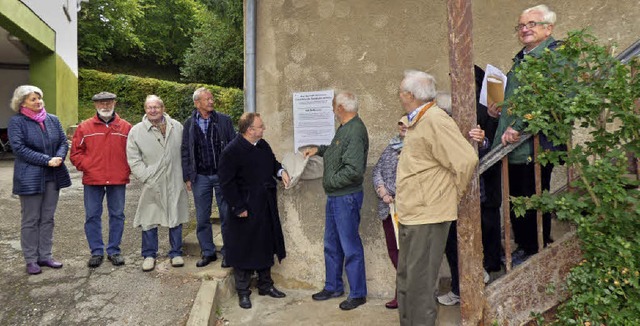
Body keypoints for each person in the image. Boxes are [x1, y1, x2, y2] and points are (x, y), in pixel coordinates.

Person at [395, 70, 477, 325]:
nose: (399, 95)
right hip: (413, 214)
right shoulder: (418, 120)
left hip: (428, 215)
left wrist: (451, 195)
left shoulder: (435, 119)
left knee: (420, 285)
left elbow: (466, 160)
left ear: (409, 95)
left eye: (400, 91)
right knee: (407, 279)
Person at [491, 4, 562, 265]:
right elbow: (521, 100)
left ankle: (535, 250)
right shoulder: (521, 58)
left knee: (533, 199)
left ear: (548, 28)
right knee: (517, 203)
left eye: (531, 24)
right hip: (515, 147)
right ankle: (526, 246)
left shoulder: (553, 56)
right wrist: (501, 111)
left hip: (536, 145)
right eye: (521, 25)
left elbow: (545, 99)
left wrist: (518, 126)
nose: (524, 29)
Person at [303, 91, 369, 311]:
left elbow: (354, 170)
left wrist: (331, 181)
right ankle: (333, 286)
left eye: (333, 106)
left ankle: (358, 293)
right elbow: (337, 152)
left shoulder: (356, 130)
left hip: (345, 197)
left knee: (350, 246)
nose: (332, 109)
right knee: (331, 244)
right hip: (336, 197)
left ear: (340, 108)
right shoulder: (345, 129)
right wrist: (319, 150)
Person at [218, 112, 290, 309]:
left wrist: (281, 171)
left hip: (265, 205)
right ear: (250, 130)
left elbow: (273, 163)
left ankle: (266, 285)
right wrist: (238, 207)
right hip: (245, 207)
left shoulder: (263, 145)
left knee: (265, 244)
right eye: (260, 126)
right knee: (244, 247)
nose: (264, 128)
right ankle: (243, 291)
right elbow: (226, 183)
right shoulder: (232, 151)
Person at [435, 90, 499, 306]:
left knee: (462, 242)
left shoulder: (462, 127)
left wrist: (481, 142)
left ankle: (470, 282)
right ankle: (459, 287)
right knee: (452, 245)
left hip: (466, 195)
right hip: (446, 196)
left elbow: (482, 148)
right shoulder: (441, 130)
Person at [8, 85, 71, 275]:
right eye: (32, 99)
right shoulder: (17, 122)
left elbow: (62, 141)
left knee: (48, 218)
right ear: (22, 103)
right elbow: (19, 148)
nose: (38, 101)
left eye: (39, 98)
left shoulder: (52, 119)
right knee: (31, 219)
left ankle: (45, 255)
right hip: (29, 177)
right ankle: (31, 259)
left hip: (53, 176)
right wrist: (47, 160)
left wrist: (59, 157)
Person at [126, 95, 190, 272]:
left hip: (175, 179)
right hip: (152, 182)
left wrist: (185, 175)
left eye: (156, 107)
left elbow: (186, 152)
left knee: (175, 215)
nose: (153, 110)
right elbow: (133, 158)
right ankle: (149, 255)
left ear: (163, 108)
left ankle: (176, 253)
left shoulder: (177, 127)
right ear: (145, 109)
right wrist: (146, 176)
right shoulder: (136, 131)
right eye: (149, 107)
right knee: (149, 218)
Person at [70, 91, 132, 268]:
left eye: (108, 102)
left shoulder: (126, 127)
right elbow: (75, 153)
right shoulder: (85, 127)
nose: (105, 106)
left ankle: (114, 250)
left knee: (117, 215)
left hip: (117, 178)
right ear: (95, 105)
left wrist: (126, 168)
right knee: (92, 215)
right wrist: (88, 166)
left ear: (114, 103)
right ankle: (96, 251)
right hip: (93, 179)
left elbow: (134, 152)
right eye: (101, 103)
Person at [181, 87, 236, 268]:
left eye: (212, 98)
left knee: (227, 214)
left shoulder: (224, 121)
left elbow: (234, 146)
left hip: (223, 176)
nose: (211, 102)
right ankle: (208, 252)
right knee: (202, 217)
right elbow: (185, 151)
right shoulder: (189, 124)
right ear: (197, 103)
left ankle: (229, 253)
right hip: (200, 178)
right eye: (207, 99)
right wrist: (187, 176)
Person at [371, 116, 408, 310]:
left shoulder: (415, 148)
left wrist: (391, 192)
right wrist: (381, 190)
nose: (402, 126)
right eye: (400, 123)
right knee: (394, 251)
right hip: (388, 209)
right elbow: (376, 170)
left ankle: (404, 294)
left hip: (405, 208)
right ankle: (403, 293)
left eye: (406, 123)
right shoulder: (391, 146)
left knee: (405, 253)